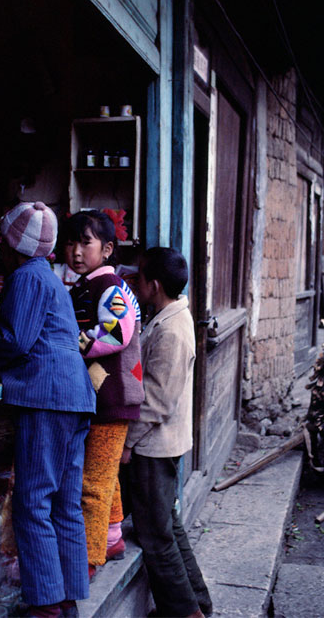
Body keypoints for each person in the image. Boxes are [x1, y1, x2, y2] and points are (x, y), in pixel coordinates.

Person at [0, 202, 96, 618]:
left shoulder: (25, 277)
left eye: (2, 243)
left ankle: (45, 604)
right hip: (73, 397)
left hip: (48, 398)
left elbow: (13, 340)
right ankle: (66, 597)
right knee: (64, 502)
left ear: (13, 246)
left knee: (33, 501)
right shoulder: (48, 277)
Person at [122, 247, 211, 618]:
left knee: (156, 538)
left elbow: (156, 400)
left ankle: (185, 613)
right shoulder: (169, 316)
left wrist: (127, 442)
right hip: (161, 445)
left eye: (139, 278)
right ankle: (198, 604)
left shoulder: (172, 329)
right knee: (168, 528)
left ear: (154, 285)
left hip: (154, 449)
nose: (134, 282)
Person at [63, 210, 145, 580]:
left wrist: (75, 344)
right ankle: (111, 538)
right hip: (102, 398)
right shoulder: (85, 285)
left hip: (111, 399)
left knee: (92, 484)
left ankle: (89, 559)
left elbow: (117, 333)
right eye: (70, 242)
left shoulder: (109, 285)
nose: (76, 251)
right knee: (104, 476)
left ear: (108, 249)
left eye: (86, 242)